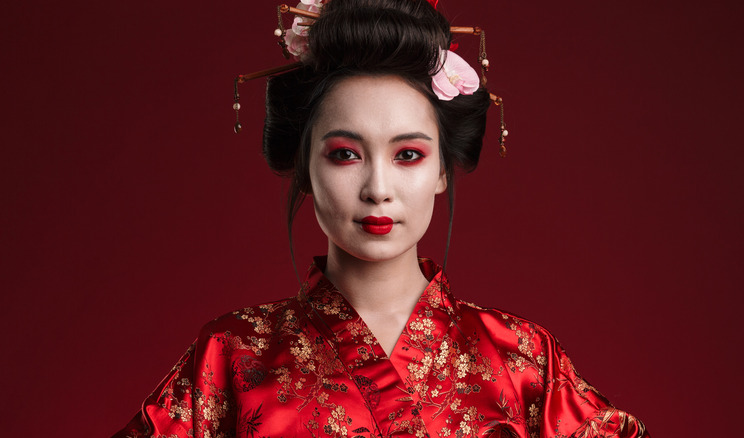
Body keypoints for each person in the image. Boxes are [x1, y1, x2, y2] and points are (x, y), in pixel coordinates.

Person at [114, 0, 648, 437]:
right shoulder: (231, 356)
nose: (377, 189)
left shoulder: (523, 358)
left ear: (442, 169)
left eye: (408, 155)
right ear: (304, 169)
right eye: (345, 154)